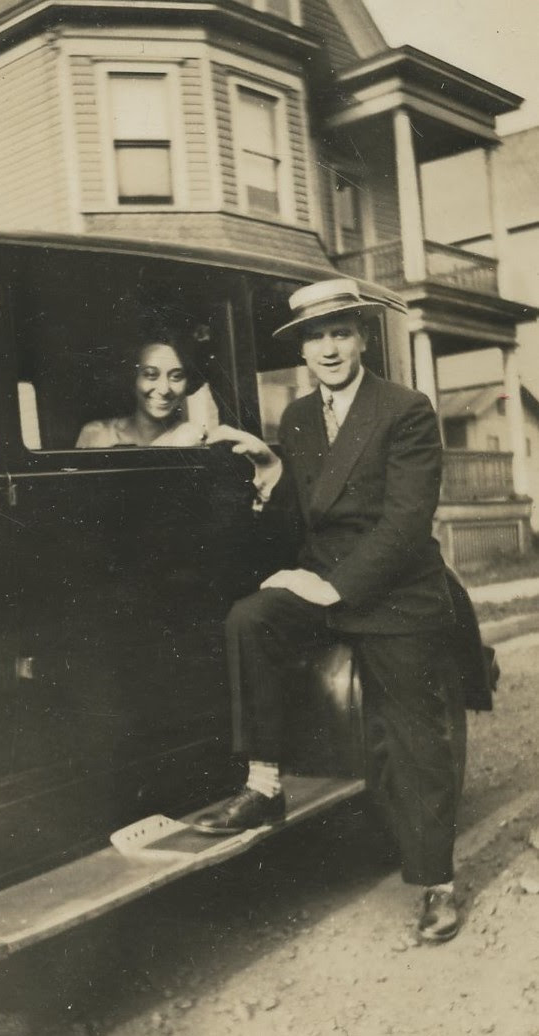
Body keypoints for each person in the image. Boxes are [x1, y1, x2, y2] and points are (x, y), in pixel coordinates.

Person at [195, 278, 466, 944]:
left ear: (362, 338)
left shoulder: (405, 409)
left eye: (341, 332)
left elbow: (406, 525)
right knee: (250, 619)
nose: (330, 348)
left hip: (397, 592)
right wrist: (269, 475)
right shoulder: (295, 418)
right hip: (326, 583)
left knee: (414, 735)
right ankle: (264, 784)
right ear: (303, 349)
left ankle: (437, 884)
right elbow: (308, 513)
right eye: (316, 337)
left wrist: (332, 587)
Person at [76, 330, 206, 448]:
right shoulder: (97, 435)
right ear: (133, 377)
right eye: (150, 375)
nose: (164, 389)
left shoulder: (192, 438)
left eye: (176, 376)